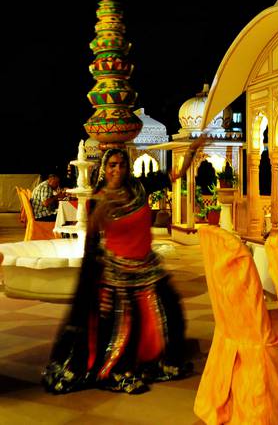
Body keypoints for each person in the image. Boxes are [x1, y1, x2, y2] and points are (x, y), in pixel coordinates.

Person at [42, 136, 207, 395]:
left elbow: (175, 175)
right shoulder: (98, 198)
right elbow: (94, 239)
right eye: (112, 165)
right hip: (117, 273)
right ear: (104, 169)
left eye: (121, 165)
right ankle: (118, 370)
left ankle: (159, 360)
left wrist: (191, 154)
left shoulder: (140, 187)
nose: (117, 169)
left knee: (170, 314)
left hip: (147, 268)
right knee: (122, 330)